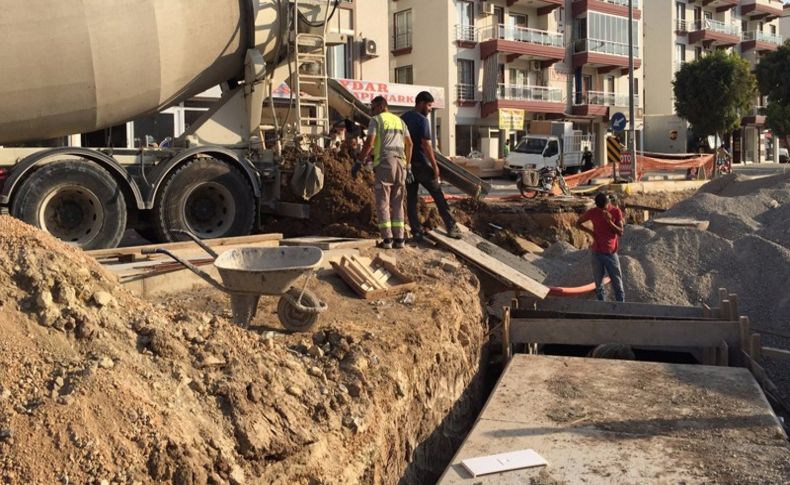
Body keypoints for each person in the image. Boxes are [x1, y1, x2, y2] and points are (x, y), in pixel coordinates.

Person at [401, 91, 462, 241]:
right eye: (428, 105)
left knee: (412, 199)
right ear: (421, 103)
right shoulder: (422, 120)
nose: (429, 109)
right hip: (422, 165)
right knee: (438, 195)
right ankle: (451, 226)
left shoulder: (403, 118)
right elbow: (426, 144)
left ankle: (416, 230)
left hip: (407, 166)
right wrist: (435, 166)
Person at [353, 96, 413, 249]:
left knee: (383, 202)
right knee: (398, 202)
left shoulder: (376, 121)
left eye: (373, 108)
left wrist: (359, 161)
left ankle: (387, 240)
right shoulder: (400, 122)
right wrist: (409, 166)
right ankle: (400, 239)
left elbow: (369, 142)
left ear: (380, 107)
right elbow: (410, 144)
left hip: (385, 164)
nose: (371, 111)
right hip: (401, 164)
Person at [575, 192, 625, 302]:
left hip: (611, 252)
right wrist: (591, 232)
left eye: (605, 207)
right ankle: (602, 307)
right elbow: (578, 223)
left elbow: (620, 232)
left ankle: (621, 308)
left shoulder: (615, 211)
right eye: (600, 208)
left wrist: (609, 222)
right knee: (599, 283)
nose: (603, 210)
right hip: (596, 252)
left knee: (617, 282)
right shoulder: (593, 212)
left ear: (608, 203)